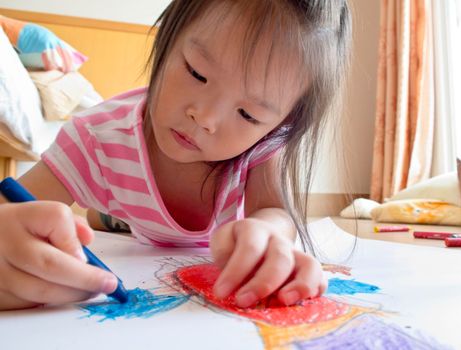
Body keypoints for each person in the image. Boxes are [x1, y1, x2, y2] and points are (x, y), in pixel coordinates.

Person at [0, 0, 352, 311]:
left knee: (109, 220)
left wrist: (269, 231)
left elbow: (273, 210)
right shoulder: (94, 140)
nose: (205, 118)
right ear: (167, 37)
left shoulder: (261, 147)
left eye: (248, 115)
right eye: (197, 73)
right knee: (104, 220)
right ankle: (109, 215)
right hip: (125, 197)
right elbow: (11, 206)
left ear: (277, 125)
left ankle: (109, 217)